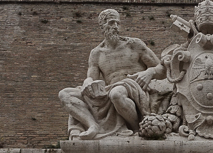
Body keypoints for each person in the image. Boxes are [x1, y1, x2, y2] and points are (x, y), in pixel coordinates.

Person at [58, 9, 165, 139]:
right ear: (102, 26)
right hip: (108, 92)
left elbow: (162, 70)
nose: (115, 27)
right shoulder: (96, 53)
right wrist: (88, 82)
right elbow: (92, 78)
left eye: (118, 23)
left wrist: (150, 72)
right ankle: (93, 126)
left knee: (117, 94)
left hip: (134, 89)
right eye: (111, 23)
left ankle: (137, 128)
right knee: (65, 94)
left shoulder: (134, 45)